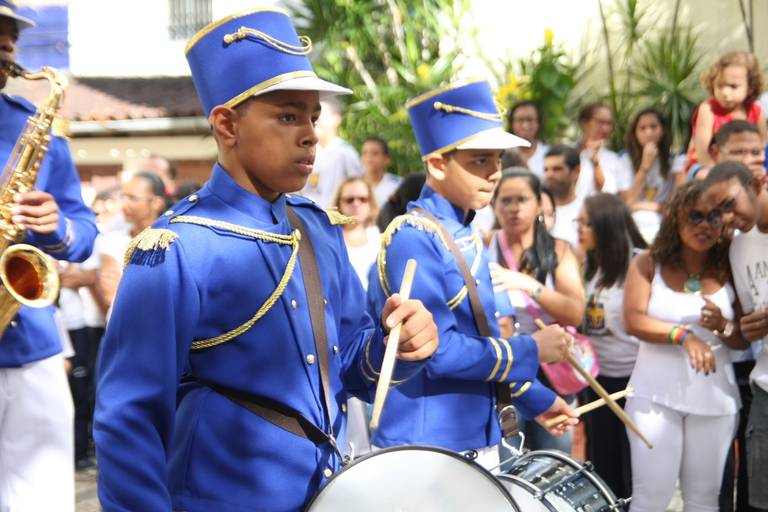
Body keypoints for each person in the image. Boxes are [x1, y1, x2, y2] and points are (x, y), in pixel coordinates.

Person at [94, 9, 438, 511]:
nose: (310, 134)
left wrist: (397, 346)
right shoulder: (175, 248)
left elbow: (348, 362)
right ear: (227, 124)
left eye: (313, 117)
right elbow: (128, 419)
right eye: (288, 116)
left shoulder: (318, 229)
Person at [367, 78, 577, 469]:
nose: (495, 172)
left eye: (497, 159)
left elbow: (484, 338)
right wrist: (532, 349)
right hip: (427, 446)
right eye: (480, 160)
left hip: (473, 440)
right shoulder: (413, 238)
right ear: (437, 164)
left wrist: (536, 399)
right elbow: (437, 352)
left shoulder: (465, 230)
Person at [0, 5, 98, 511]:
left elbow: (84, 232)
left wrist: (55, 225)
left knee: (43, 501)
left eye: (11, 36)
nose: (7, 45)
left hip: (30, 344)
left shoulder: (35, 128)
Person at [623, 181, 748, 511]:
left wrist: (722, 325)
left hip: (715, 399)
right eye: (695, 216)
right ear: (675, 218)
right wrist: (683, 336)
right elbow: (632, 320)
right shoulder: (647, 263)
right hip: (653, 397)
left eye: (714, 218)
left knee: (704, 500)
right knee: (651, 498)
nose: (705, 225)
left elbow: (741, 338)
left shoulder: (729, 266)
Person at [488, 168, 585, 453]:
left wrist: (529, 285)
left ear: (539, 204)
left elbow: (575, 312)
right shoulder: (484, 247)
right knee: (508, 458)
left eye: (522, 199)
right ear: (494, 204)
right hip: (505, 368)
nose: (514, 208)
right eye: (506, 200)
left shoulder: (559, 250)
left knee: (553, 461)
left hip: (552, 369)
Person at [703, 161, 768, 511]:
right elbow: (745, 332)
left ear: (757, 182)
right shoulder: (739, 248)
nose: (727, 218)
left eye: (730, 204)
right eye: (719, 213)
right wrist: (731, 327)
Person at [577, 193, 647, 500]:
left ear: (605, 226)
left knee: (635, 468)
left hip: (636, 383)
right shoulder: (589, 265)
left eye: (586, 224)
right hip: (597, 381)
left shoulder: (640, 264)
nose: (579, 230)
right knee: (603, 467)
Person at [96, 172, 168, 315]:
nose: (124, 204)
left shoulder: (170, 243)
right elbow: (110, 295)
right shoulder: (112, 241)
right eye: (123, 197)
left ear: (156, 203)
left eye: (132, 198)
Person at [688, 51, 766, 170]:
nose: (725, 92)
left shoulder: (756, 111)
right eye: (720, 86)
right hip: (707, 166)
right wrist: (720, 173)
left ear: (750, 87)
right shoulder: (708, 110)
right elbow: (702, 153)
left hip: (744, 166)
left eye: (733, 86)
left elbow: (763, 145)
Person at [617, 107, 685, 242]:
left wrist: (643, 206)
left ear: (662, 130)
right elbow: (627, 202)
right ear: (635, 133)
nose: (648, 133)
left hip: (663, 225)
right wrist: (645, 166)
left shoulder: (675, 161)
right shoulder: (624, 159)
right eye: (642, 128)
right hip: (633, 226)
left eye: (653, 127)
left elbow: (676, 206)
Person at [301, 96, 363, 207]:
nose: (317, 120)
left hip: (333, 215)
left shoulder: (345, 152)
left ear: (336, 119)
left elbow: (359, 189)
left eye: (321, 115)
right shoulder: (306, 150)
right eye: (314, 116)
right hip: (306, 212)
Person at [575, 102, 619, 202]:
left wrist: (595, 159)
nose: (605, 128)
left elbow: (605, 190)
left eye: (609, 124)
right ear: (584, 123)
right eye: (600, 122)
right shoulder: (567, 151)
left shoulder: (613, 159)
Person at [543, 144, 583, 249]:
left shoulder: (586, 210)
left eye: (556, 169)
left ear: (576, 172)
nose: (549, 175)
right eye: (546, 170)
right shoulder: (535, 208)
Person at [506, 100, 549, 177]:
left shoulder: (548, 154)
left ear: (539, 123)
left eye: (530, 120)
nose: (525, 126)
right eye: (520, 120)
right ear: (512, 123)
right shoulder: (503, 154)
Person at [361, 136, 402, 206]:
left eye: (375, 153)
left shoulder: (398, 185)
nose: (369, 157)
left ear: (387, 159)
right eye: (365, 153)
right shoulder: (353, 185)